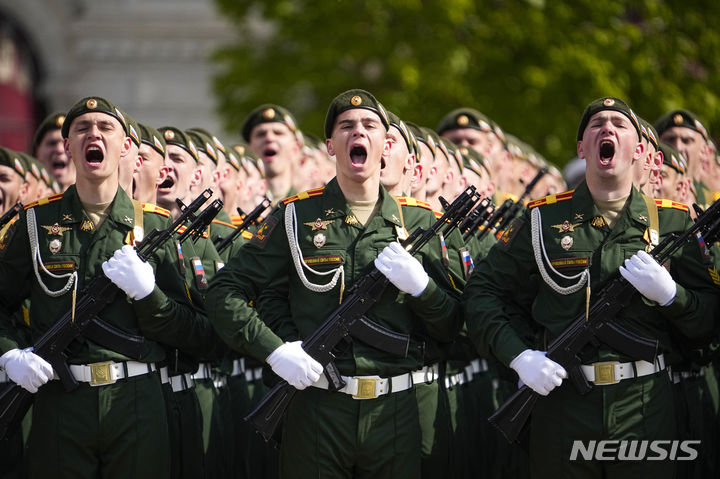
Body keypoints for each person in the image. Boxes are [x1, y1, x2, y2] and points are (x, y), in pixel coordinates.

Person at [207, 89, 463, 478]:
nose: (357, 132)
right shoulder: (295, 216)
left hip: (393, 412)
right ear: (330, 145)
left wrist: (422, 288)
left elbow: (452, 325)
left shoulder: (422, 222)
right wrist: (276, 352)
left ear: (384, 143)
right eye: (346, 126)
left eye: (369, 126)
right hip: (317, 409)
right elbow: (225, 292)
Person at [464, 97, 720, 478]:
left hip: (644, 402)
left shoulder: (673, 222)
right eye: (597, 124)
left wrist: (672, 296)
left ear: (638, 149)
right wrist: (519, 356)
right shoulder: (542, 219)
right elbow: (483, 294)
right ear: (582, 148)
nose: (608, 129)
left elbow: (707, 321)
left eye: (620, 123)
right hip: (564, 402)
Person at [0, 96, 200, 479]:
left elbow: (199, 331)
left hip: (137, 399)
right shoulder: (36, 223)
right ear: (68, 147)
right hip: (61, 399)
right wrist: (10, 355)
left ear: (127, 147)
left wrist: (149, 296)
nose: (95, 134)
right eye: (82, 129)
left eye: (106, 128)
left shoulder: (158, 227)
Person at [242, 104, 302, 204]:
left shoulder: (310, 204)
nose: (269, 138)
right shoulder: (238, 206)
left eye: (278, 133)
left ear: (295, 148)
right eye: (261, 134)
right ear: (249, 149)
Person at [655, 109, 713, 207]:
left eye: (686, 141)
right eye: (670, 139)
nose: (678, 147)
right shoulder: (649, 192)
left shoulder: (712, 202)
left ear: (704, 151)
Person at [32, 112, 75, 191]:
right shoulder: (26, 200)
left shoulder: (97, 199)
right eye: (52, 143)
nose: (59, 149)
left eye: (67, 144)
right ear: (37, 152)